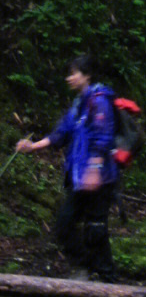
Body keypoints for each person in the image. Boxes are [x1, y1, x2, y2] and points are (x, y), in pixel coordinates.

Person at [16, 53, 117, 280]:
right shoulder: (79, 104)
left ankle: (109, 279)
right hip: (79, 178)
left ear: (87, 75)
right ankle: (89, 267)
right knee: (64, 224)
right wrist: (32, 147)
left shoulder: (99, 101)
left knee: (96, 228)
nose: (69, 78)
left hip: (100, 178)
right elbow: (61, 133)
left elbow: (104, 138)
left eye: (73, 73)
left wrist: (94, 169)